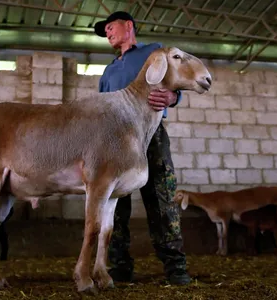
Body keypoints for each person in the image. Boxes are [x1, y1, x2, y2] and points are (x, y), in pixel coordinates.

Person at [94, 11, 191, 285]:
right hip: (114, 139)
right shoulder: (109, 71)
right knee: (114, 203)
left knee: (162, 198)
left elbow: (177, 83)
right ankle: (120, 267)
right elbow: (102, 106)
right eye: (106, 32)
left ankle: (176, 269)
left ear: (128, 26)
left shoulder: (154, 53)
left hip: (150, 134)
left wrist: (173, 96)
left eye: (111, 28)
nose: (108, 34)